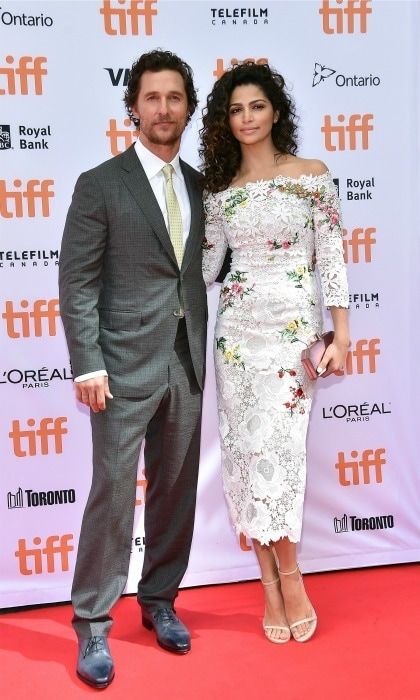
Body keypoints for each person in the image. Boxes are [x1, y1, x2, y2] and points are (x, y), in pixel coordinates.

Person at [59, 50, 207, 688]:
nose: (164, 109)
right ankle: (94, 620)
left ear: (188, 108)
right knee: (113, 494)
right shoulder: (101, 182)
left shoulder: (202, 185)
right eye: (152, 98)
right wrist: (87, 363)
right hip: (118, 367)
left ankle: (159, 599)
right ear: (133, 108)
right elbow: (77, 281)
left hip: (187, 360)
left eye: (175, 97)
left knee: (175, 490)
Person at [201, 63, 349, 644]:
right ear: (226, 120)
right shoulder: (219, 194)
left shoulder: (312, 176)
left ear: (276, 111)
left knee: (282, 461)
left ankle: (292, 579)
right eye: (236, 110)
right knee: (246, 459)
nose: (247, 118)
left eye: (256, 106)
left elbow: (331, 258)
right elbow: (207, 269)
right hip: (236, 341)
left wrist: (340, 333)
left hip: (291, 340)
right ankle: (272, 586)